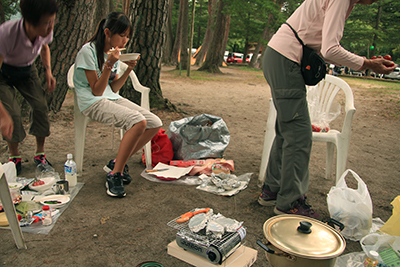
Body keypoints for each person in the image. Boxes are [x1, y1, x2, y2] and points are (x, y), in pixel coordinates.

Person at [259, 0, 396, 218]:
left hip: (279, 56)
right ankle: (290, 203)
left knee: (288, 130)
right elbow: (330, 49)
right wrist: (368, 63)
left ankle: (272, 191)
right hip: (286, 59)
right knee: (299, 133)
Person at [73, 12, 162, 198]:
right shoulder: (88, 51)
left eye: (128, 36)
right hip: (91, 102)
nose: (125, 40)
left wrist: (128, 68)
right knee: (138, 121)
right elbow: (96, 91)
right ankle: (115, 175)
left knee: (154, 122)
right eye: (122, 35)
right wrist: (108, 64)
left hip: (109, 97)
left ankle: (117, 163)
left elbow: (112, 89)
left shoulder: (113, 53)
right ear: (107, 32)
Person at [0, 0, 58, 175]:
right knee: (13, 114)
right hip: (4, 71)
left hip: (27, 69)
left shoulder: (45, 30)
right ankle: (14, 156)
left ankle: (39, 154)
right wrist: (3, 115)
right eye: (46, 23)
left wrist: (48, 71)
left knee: (40, 107)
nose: (50, 27)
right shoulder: (6, 34)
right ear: (29, 22)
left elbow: (44, 47)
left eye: (52, 22)